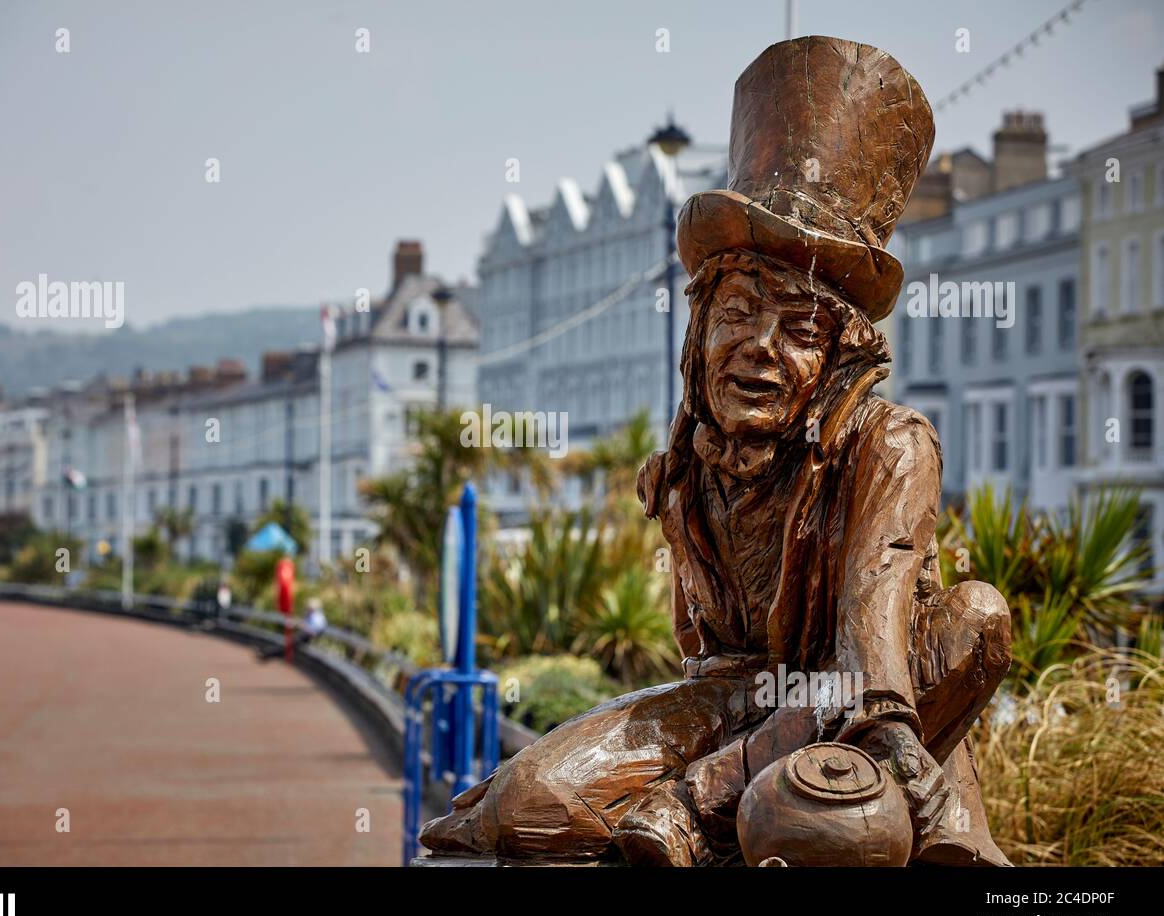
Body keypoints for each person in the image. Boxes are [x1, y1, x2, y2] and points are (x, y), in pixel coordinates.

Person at [420, 36, 1011, 867]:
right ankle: (712, 806)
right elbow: (702, 662)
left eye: (798, 328)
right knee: (530, 805)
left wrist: (705, 785)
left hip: (870, 701)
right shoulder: (688, 457)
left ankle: (703, 813)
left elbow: (872, 628)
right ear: (698, 333)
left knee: (971, 625)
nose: (759, 347)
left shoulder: (889, 442)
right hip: (738, 699)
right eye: (737, 312)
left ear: (839, 358)